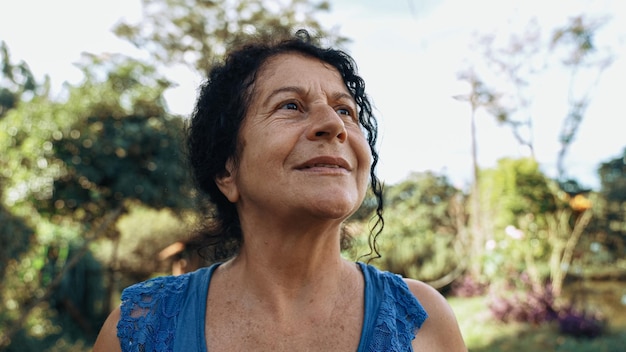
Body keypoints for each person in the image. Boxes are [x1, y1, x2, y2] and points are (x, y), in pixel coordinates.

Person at [94, 29, 467, 351]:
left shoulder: (423, 320)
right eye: (291, 105)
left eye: (345, 111)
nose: (333, 125)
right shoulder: (137, 332)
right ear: (228, 169)